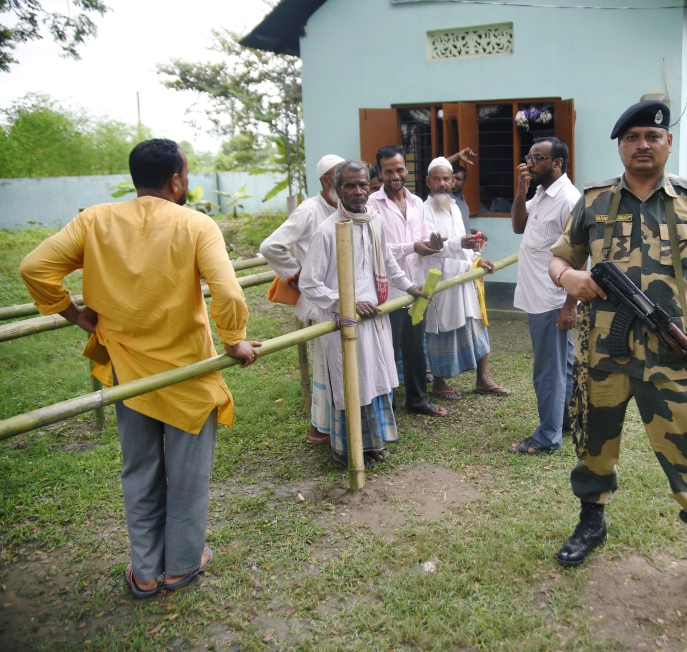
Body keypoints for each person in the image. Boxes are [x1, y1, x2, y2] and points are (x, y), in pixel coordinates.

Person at [19, 139, 261, 599]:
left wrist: (73, 313)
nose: (186, 184)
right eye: (185, 177)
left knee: (140, 471)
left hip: (128, 374)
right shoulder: (195, 224)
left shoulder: (94, 220)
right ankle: (182, 567)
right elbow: (228, 294)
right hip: (187, 376)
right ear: (175, 181)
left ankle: (146, 573)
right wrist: (234, 340)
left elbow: (35, 267)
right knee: (187, 477)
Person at [547, 101, 687, 608]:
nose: (642, 145)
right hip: (603, 355)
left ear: (668, 143)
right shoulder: (594, 200)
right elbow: (559, 258)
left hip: (672, 358)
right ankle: (592, 524)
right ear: (621, 146)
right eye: (632, 137)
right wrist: (572, 278)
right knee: (594, 445)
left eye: (652, 135)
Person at [299, 160, 428, 466]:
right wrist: (346, 301)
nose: (358, 192)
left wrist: (409, 287)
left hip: (375, 315)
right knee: (351, 382)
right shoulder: (327, 231)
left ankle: (373, 442)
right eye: (349, 186)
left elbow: (387, 260)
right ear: (336, 188)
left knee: (375, 377)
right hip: (344, 319)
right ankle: (348, 450)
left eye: (362, 185)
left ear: (370, 186)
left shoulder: (375, 220)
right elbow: (309, 282)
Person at [259, 154, 345, 445]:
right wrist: (294, 272)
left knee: (340, 363)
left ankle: (339, 424)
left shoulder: (345, 207)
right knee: (324, 365)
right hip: (319, 302)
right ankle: (319, 429)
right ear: (326, 180)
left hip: (341, 300)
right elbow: (271, 246)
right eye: (339, 176)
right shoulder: (309, 210)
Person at [509, 137, 581, 454]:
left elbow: (579, 256)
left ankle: (547, 437)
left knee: (548, 371)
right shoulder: (541, 192)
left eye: (538, 158)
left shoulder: (568, 199)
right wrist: (521, 190)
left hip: (553, 300)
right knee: (562, 365)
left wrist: (570, 305)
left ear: (557, 164)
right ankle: (565, 420)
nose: (530, 163)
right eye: (530, 157)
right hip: (537, 295)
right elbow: (517, 226)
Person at [368, 145, 448, 417]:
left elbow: (423, 239)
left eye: (399, 169)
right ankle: (383, 407)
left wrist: (431, 245)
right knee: (386, 351)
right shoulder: (371, 205)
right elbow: (377, 250)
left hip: (417, 287)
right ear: (380, 172)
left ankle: (417, 400)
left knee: (415, 347)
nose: (395, 175)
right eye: (388, 171)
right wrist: (412, 246)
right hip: (388, 293)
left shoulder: (416, 202)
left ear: (406, 169)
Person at [421, 157, 510, 400]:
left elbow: (465, 244)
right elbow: (431, 246)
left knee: (476, 324)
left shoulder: (455, 207)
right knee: (441, 330)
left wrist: (477, 259)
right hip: (441, 281)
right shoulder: (422, 210)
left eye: (446, 179)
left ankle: (483, 379)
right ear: (428, 182)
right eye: (436, 179)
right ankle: (439, 383)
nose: (442, 184)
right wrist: (461, 247)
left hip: (464, 276)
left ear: (453, 182)